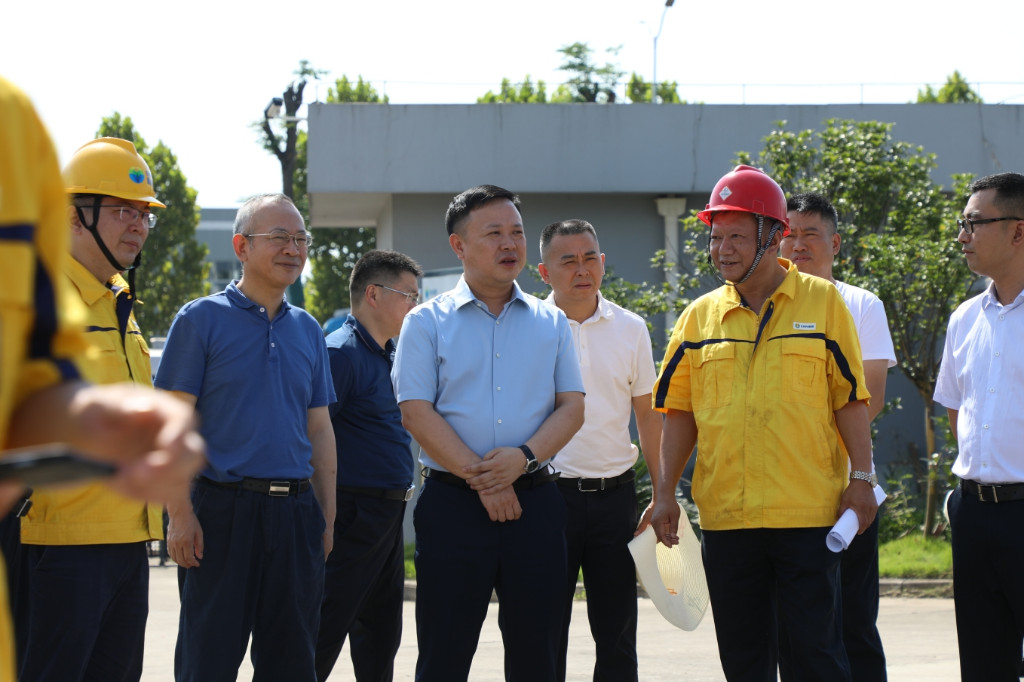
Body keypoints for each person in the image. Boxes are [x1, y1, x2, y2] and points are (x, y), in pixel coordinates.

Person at [0, 74, 205, 682]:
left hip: (125, 542)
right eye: (121, 211)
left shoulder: (120, 304)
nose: (137, 226)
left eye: (144, 215)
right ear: (73, 215)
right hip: (53, 545)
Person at [650, 165, 878, 681]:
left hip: (807, 517)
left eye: (736, 237)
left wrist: (862, 479)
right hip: (727, 519)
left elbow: (850, 399)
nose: (722, 249)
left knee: (815, 658)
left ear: (775, 237)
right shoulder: (698, 318)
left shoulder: (824, 303)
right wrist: (664, 494)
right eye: (715, 237)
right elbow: (679, 412)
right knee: (744, 660)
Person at [392, 185, 585, 681]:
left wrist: (523, 459)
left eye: (516, 232)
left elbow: (572, 407)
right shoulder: (425, 322)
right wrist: (486, 480)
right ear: (458, 245)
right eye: (494, 233)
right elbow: (415, 412)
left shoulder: (551, 321)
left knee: (538, 657)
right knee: (444, 655)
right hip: (453, 508)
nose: (509, 243)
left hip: (535, 505)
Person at [158, 193, 337, 682]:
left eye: (300, 238)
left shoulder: (308, 330)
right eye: (279, 237)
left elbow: (319, 429)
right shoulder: (199, 320)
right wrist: (180, 515)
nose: (293, 249)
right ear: (241, 246)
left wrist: (326, 517)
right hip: (222, 513)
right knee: (208, 662)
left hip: (296, 515)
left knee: (292, 664)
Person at [779, 192, 897, 681]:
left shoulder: (860, 305)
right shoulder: (760, 305)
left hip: (846, 488)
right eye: (789, 233)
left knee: (852, 621)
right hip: (781, 494)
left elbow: (871, 397)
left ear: (836, 244)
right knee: (794, 628)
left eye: (811, 234)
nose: (798, 244)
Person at [537, 219, 661, 681]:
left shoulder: (631, 328)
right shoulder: (528, 326)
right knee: (544, 631)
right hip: (547, 496)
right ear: (544, 272)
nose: (582, 269)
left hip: (615, 499)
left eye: (590, 258)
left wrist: (662, 493)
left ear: (603, 263)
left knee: (617, 632)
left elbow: (648, 415)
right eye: (568, 260)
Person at [315, 250, 422, 682]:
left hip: (387, 515)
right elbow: (312, 436)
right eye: (408, 295)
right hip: (350, 514)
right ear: (374, 294)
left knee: (380, 637)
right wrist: (324, 517)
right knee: (323, 630)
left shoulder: (391, 354)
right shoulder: (340, 355)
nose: (415, 305)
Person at [933, 172, 1024, 682]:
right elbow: (957, 412)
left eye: (973, 223)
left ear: (1018, 231)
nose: (961, 236)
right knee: (984, 664)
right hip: (974, 515)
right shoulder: (965, 318)